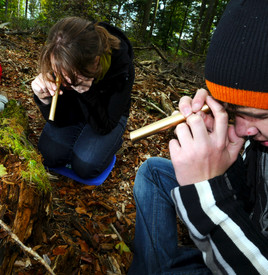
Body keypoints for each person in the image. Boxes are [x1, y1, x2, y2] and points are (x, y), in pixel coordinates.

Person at [129, 0, 268, 274]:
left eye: (260, 116)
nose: (241, 130)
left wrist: (209, 194)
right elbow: (252, 199)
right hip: (247, 230)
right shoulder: (255, 139)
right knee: (153, 172)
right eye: (233, 112)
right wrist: (225, 165)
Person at [32, 17, 134, 179]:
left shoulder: (121, 65)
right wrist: (44, 99)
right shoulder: (62, 55)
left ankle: (112, 142)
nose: (61, 77)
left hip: (106, 116)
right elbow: (57, 120)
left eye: (68, 75)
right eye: (57, 71)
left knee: (86, 166)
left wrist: (86, 92)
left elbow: (104, 125)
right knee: (48, 156)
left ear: (96, 61)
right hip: (76, 109)